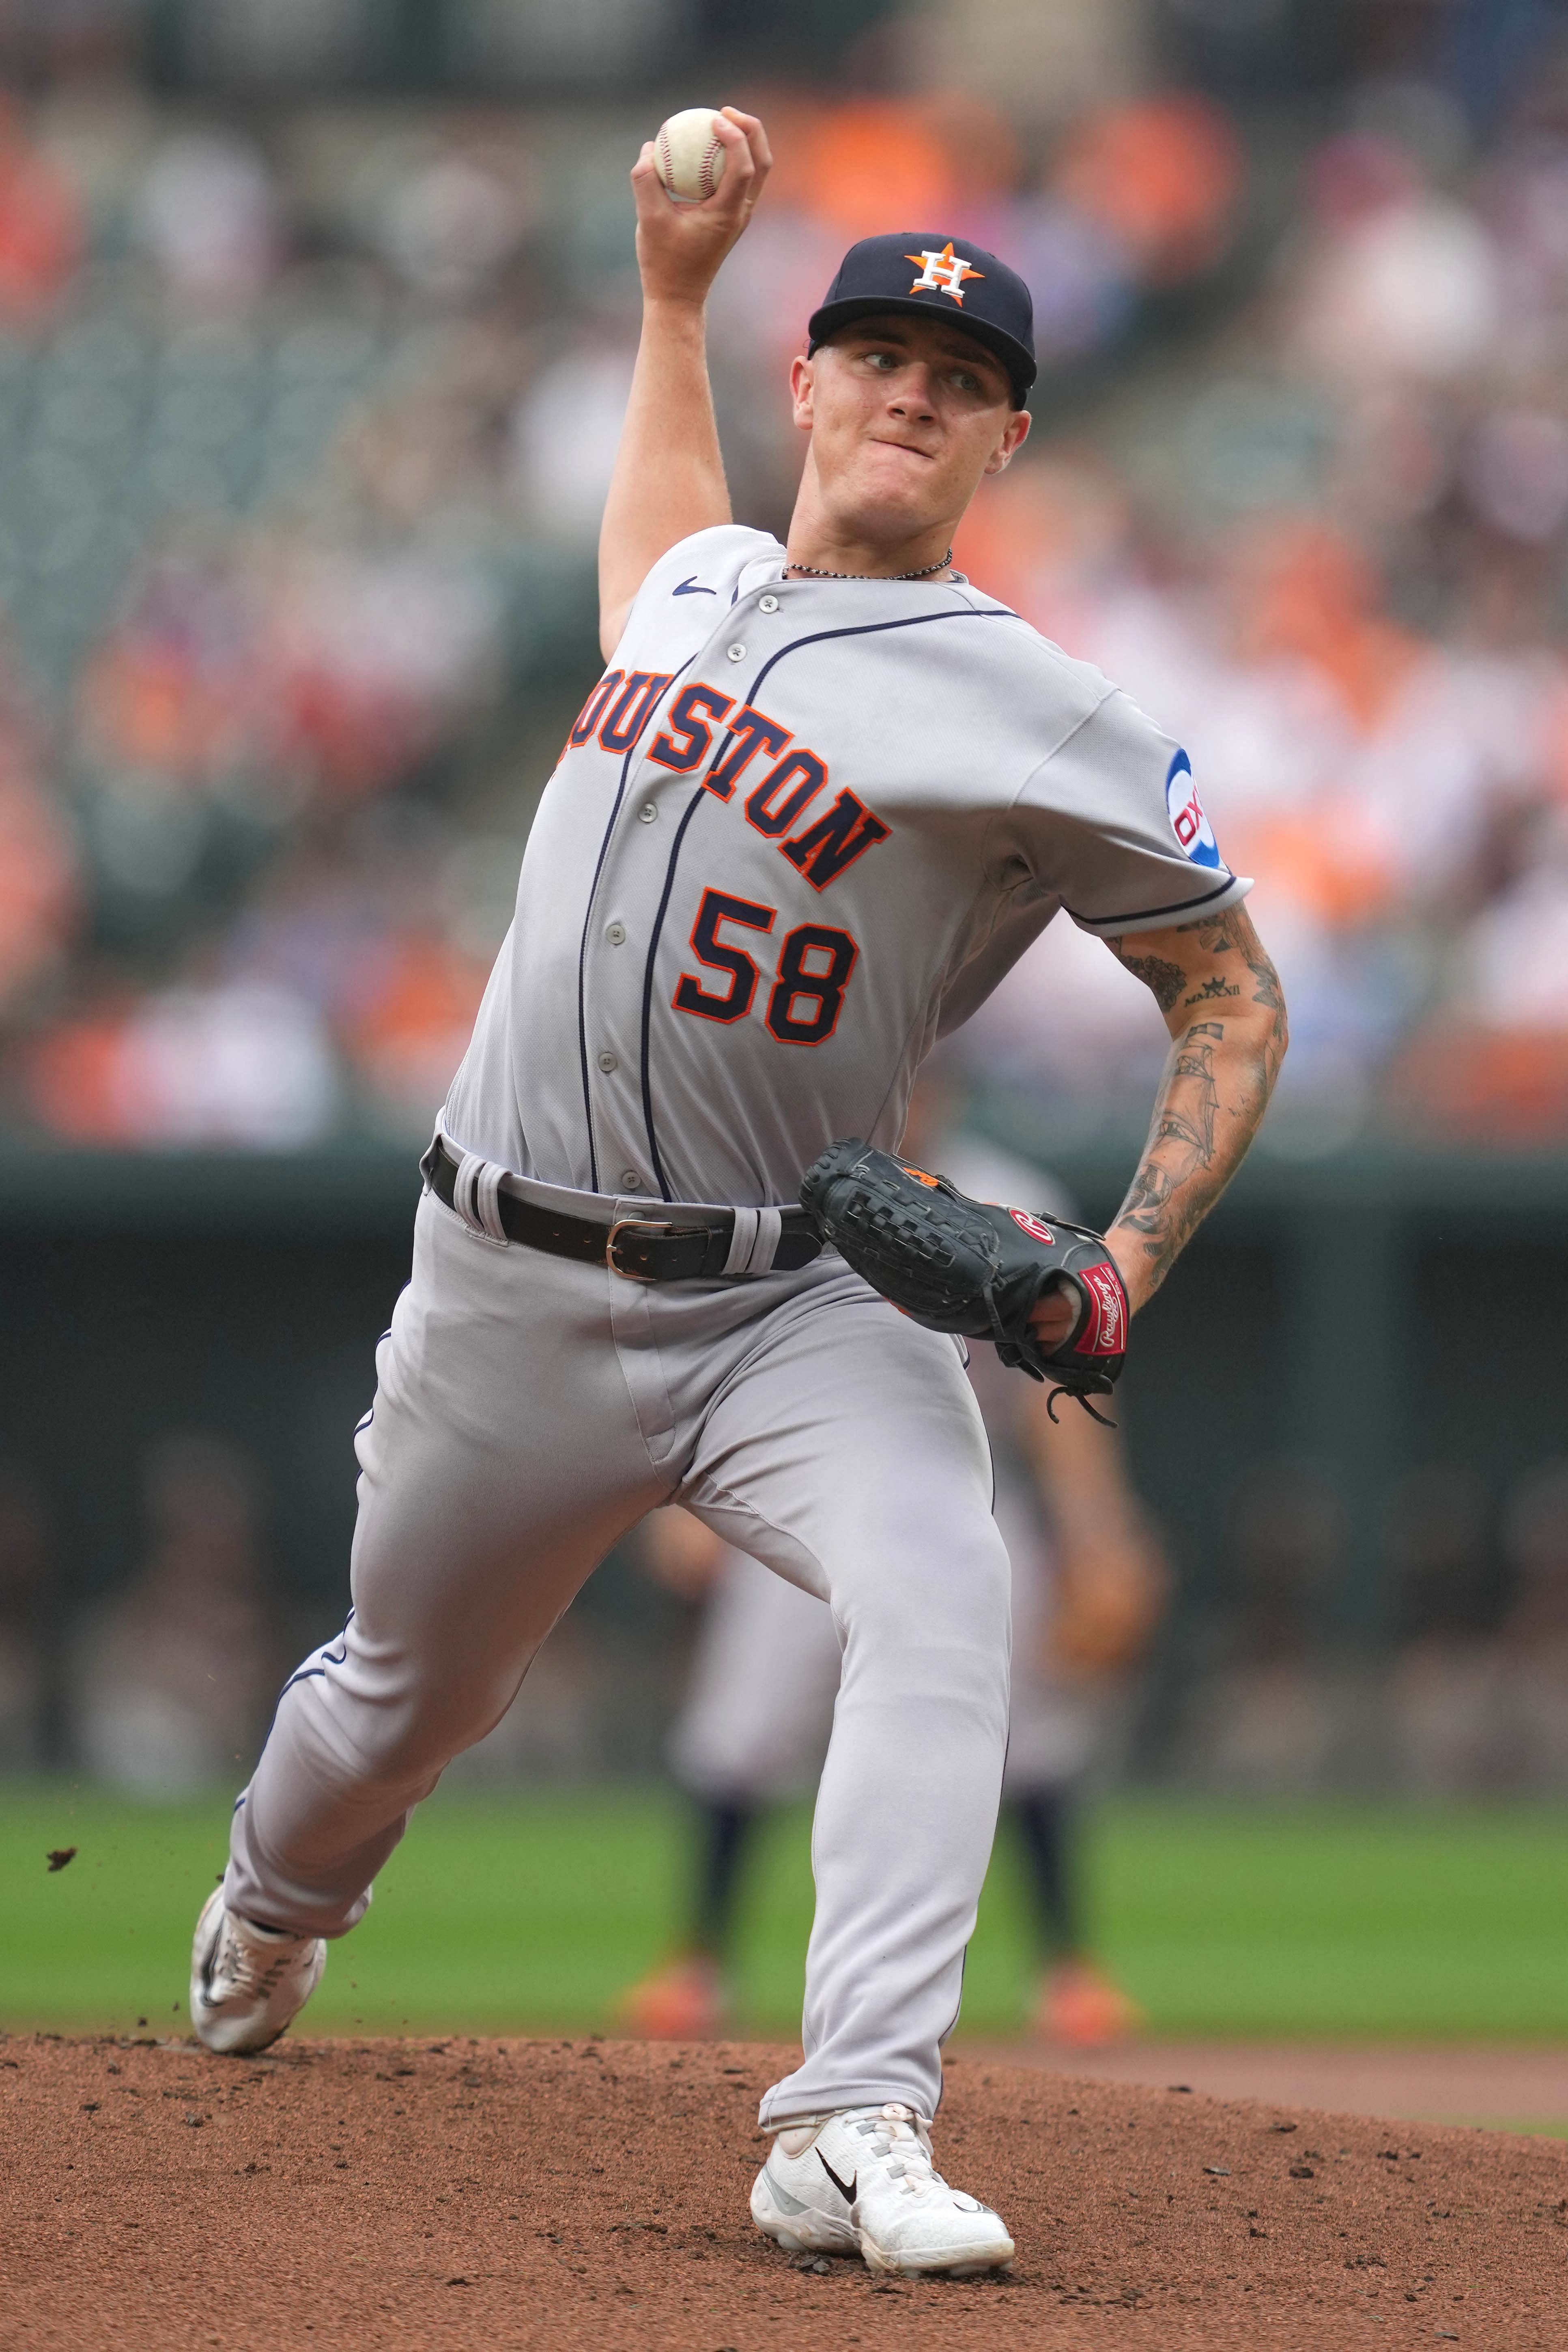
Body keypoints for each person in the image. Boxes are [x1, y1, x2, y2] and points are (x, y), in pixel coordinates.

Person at [188, 108, 1286, 2280]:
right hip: (500, 1274)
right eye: (877, 352)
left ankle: (851, 2115)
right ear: (811, 384)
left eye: (959, 379)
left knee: (940, 1582)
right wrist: (674, 296)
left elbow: (1229, 996)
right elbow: (656, 545)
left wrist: (1126, 1252)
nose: (912, 390)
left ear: (1003, 441)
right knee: (394, 1707)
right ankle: (270, 1913)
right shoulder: (693, 591)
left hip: (789, 1292)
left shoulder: (1038, 712)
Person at [621, 1092, 1169, 2047]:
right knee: (739, 1734)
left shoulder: (1008, 1192)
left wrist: (1100, 1535)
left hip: (977, 1492)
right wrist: (682, 1494)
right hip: (793, 1493)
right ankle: (695, 1963)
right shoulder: (777, 1182)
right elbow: (704, 1342)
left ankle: (1067, 1970)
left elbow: (1065, 1383)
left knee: (1030, 1740)